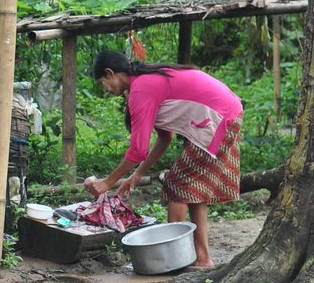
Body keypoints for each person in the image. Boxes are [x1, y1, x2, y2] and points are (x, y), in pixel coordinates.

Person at [85, 49, 243, 269]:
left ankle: (174, 259)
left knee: (176, 185)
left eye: (104, 82)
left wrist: (108, 183)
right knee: (192, 189)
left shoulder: (140, 89)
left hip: (217, 118)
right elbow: (165, 138)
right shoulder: (148, 81)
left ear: (110, 73)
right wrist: (137, 174)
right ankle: (202, 259)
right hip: (225, 113)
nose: (106, 89)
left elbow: (138, 150)